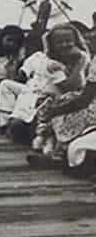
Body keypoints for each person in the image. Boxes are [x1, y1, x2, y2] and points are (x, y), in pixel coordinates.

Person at [30, 24, 89, 157]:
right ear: (52, 45)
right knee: (63, 105)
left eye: (68, 41)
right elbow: (70, 86)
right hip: (52, 102)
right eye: (59, 42)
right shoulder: (52, 65)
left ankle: (60, 144)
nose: (64, 45)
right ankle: (49, 140)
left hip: (74, 100)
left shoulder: (81, 58)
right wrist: (80, 64)